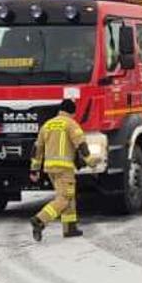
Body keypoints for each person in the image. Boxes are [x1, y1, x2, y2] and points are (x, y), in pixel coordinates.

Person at [30, 99, 89, 241]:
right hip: (64, 168)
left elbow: (37, 149)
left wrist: (34, 169)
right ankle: (40, 219)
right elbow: (81, 143)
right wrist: (88, 158)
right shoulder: (70, 123)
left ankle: (70, 228)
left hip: (50, 168)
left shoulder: (47, 125)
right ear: (72, 112)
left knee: (68, 195)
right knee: (64, 198)